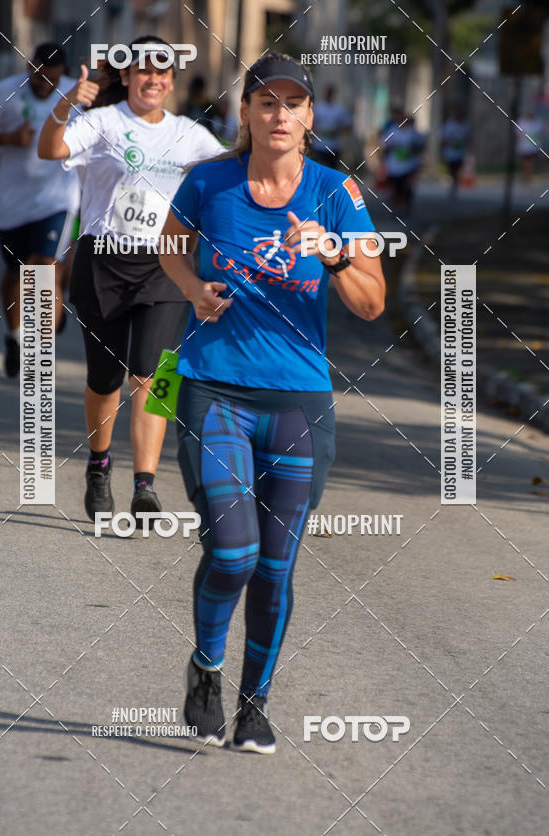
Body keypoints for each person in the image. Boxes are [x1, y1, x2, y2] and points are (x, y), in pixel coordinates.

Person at [159, 53, 385, 753]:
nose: (280, 114)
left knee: (277, 564)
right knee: (234, 551)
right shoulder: (208, 182)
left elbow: (373, 304)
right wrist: (193, 290)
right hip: (213, 386)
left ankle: (254, 705)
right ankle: (207, 670)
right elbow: (170, 245)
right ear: (246, 113)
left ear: (310, 117)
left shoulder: (337, 193)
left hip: (299, 401)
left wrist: (336, 254)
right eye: (266, 102)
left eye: (294, 103)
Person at [38, 36, 223, 524]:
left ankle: (146, 485)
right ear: (126, 76)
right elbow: (48, 148)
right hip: (104, 262)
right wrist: (65, 104)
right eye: (144, 71)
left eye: (163, 73)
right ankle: (98, 468)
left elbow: (234, 173)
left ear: (172, 81)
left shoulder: (191, 135)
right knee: (106, 380)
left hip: (166, 266)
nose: (153, 80)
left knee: (155, 372)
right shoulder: (100, 121)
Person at [0, 43, 80, 376]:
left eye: (51, 78)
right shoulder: (4, 92)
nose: (43, 83)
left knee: (45, 265)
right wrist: (8, 138)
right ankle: (15, 336)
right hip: (12, 200)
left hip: (58, 198)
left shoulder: (75, 95)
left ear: (62, 74)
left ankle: (39, 347)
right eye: (38, 75)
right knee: (15, 272)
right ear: (30, 67)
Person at [381, 109, 425, 214]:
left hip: (409, 165)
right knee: (396, 188)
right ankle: (396, 207)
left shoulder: (412, 132)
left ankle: (406, 206)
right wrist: (392, 147)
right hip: (394, 166)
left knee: (407, 187)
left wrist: (412, 150)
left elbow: (421, 145)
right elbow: (383, 146)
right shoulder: (391, 131)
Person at [311, 84, 352, 167]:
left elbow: (348, 125)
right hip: (319, 146)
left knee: (332, 170)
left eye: (331, 92)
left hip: (334, 146)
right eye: (327, 92)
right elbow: (310, 123)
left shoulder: (340, 108)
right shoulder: (318, 107)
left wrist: (338, 131)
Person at [441, 109, 469, 196]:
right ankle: (453, 184)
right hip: (450, 153)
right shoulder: (448, 125)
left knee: (457, 170)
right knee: (451, 170)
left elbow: (468, 138)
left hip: (460, 152)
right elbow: (443, 138)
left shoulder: (465, 125)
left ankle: (455, 186)